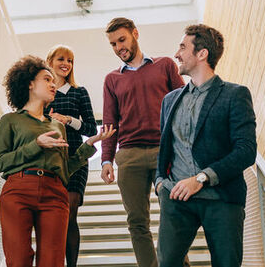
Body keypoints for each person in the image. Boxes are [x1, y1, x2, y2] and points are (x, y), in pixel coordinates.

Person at [0, 55, 115, 267]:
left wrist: (89, 145)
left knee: (53, 262)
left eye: (53, 81)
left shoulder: (57, 126)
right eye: (47, 80)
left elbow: (64, 168)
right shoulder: (11, 120)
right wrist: (35, 145)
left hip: (55, 192)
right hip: (18, 191)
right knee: (19, 259)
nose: (53, 85)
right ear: (30, 84)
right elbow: (0, 162)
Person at [155, 24, 256, 267]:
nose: (176, 53)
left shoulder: (235, 94)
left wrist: (201, 178)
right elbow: (165, 146)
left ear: (202, 54)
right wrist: (160, 183)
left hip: (221, 198)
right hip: (176, 198)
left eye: (182, 47)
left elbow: (246, 151)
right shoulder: (170, 100)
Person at [100, 17, 185, 267]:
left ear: (135, 34)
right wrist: (106, 159)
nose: (118, 47)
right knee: (137, 222)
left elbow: (183, 106)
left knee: (174, 216)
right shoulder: (112, 79)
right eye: (113, 44)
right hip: (129, 155)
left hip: (165, 152)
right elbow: (109, 122)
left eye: (122, 40)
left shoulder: (165, 65)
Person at [45, 45, 98, 267]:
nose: (66, 64)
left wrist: (68, 120)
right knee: (53, 216)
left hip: (76, 155)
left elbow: (91, 129)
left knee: (70, 210)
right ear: (50, 61)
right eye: (61, 59)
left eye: (70, 60)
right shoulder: (43, 92)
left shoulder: (79, 91)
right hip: (49, 158)